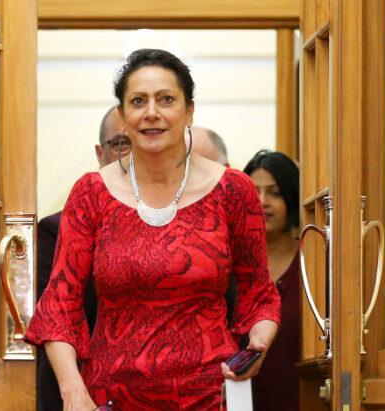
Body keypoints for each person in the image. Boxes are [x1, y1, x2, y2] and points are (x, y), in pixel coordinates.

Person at [25, 48, 280, 410]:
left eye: (166, 100)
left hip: (211, 395)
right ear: (122, 116)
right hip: (111, 396)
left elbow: (259, 294)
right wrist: (72, 390)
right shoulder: (91, 193)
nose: (151, 113)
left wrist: (259, 343)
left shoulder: (233, 190)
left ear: (189, 111)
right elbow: (60, 306)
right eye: (138, 101)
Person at [36, 106, 130, 411]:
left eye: (138, 141)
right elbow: (58, 315)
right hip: (86, 392)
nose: (130, 154)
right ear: (99, 153)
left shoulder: (186, 228)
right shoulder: (56, 230)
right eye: (120, 143)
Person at [243, 150, 300, 411]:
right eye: (254, 192)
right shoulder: (227, 267)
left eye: (275, 193)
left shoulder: (315, 263)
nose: (262, 201)